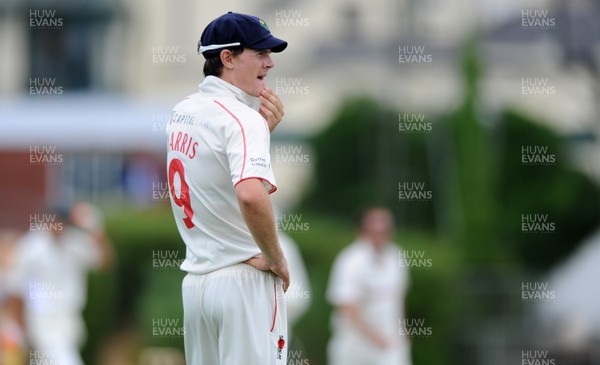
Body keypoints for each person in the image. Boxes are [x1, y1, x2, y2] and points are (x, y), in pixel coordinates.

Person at [165, 12, 290, 365]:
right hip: (243, 280)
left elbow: (212, 176)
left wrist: (262, 134)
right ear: (227, 58)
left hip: (196, 284)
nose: (270, 63)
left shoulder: (182, 111)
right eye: (260, 54)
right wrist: (277, 258)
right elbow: (250, 194)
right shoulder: (243, 117)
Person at [6, 202, 113, 365]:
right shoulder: (32, 246)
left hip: (70, 318)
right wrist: (18, 322)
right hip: (42, 319)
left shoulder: (74, 242)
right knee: (64, 360)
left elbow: (105, 262)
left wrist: (96, 230)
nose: (60, 227)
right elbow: (14, 285)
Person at [327, 208, 412, 365]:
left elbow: (399, 298)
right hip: (355, 345)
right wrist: (374, 337)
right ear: (362, 230)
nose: (380, 233)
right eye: (374, 229)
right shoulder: (350, 260)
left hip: (391, 343)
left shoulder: (396, 256)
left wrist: (403, 331)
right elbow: (346, 305)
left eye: (384, 229)